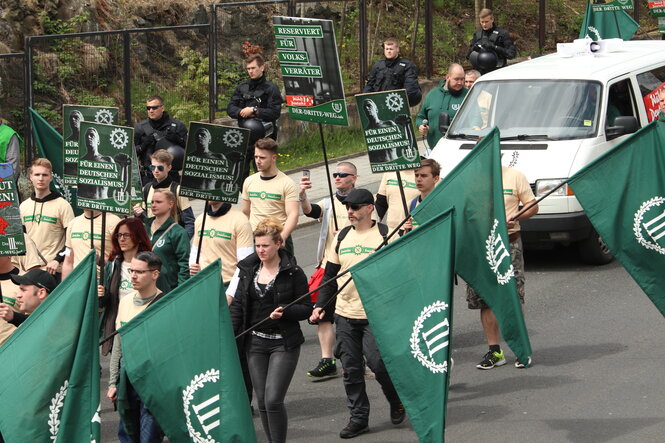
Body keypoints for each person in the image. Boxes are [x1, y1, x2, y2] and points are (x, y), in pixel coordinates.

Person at [310, 189, 404, 439]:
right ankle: (359, 418)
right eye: (347, 207)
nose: (349, 211)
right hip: (344, 313)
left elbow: (398, 274)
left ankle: (396, 399)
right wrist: (320, 305)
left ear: (369, 208)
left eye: (354, 207)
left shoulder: (386, 236)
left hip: (375, 314)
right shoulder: (341, 237)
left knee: (378, 365)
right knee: (351, 370)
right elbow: (330, 276)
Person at [229, 218, 311, 443]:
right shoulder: (247, 269)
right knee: (263, 400)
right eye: (257, 245)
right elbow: (238, 306)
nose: (261, 250)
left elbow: (306, 308)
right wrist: (231, 335)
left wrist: (286, 311)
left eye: (265, 245)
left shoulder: (293, 272)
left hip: (283, 343)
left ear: (278, 244)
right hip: (255, 343)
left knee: (274, 399)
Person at [469, 165, 538, 369]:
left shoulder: (515, 176)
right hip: (480, 245)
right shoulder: (469, 179)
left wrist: (517, 216)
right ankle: (495, 352)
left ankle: (520, 348)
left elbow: (532, 206)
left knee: (513, 296)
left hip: (509, 243)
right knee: (485, 299)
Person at [299, 161, 358, 380]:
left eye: (343, 174)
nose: (338, 178)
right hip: (328, 267)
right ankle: (327, 360)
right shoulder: (329, 203)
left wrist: (348, 229)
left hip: (352, 267)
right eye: (335, 174)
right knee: (322, 313)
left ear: (354, 178)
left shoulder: (361, 202)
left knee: (352, 314)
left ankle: (357, 353)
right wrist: (302, 195)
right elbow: (310, 211)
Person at [107, 251, 165, 443]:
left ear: (155, 274)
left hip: (152, 383)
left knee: (148, 438)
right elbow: (118, 344)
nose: (132, 276)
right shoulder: (124, 302)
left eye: (139, 272)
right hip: (127, 379)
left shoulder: (165, 305)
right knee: (128, 435)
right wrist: (113, 382)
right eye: (131, 271)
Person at [98, 218, 153, 356]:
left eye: (126, 235)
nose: (121, 239)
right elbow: (106, 303)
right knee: (115, 372)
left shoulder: (151, 265)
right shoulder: (112, 265)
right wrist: (101, 295)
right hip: (118, 330)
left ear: (138, 237)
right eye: (119, 235)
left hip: (143, 328)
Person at [227, 54, 284, 178]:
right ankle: (246, 196)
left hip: (264, 137)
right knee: (241, 172)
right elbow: (230, 108)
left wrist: (254, 110)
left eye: (253, 68)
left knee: (264, 171)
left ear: (262, 68)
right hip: (245, 136)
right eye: (248, 69)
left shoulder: (271, 88)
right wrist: (241, 112)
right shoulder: (242, 87)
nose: (250, 71)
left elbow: (275, 112)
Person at [241, 138, 299, 254]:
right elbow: (245, 213)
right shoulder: (249, 181)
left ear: (274, 158)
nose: (258, 161)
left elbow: (293, 214)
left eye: (262, 158)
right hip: (256, 238)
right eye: (256, 157)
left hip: (277, 238)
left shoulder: (287, 183)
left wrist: (283, 236)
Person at [20, 158, 75, 279]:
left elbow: (72, 242)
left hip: (53, 270)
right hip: (29, 270)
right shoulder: (23, 206)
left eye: (45, 175)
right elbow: (21, 241)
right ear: (30, 177)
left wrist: (57, 260)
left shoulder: (63, 205)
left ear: (51, 177)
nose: (40, 178)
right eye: (37, 174)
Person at [189, 200, 254, 288]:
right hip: (203, 284)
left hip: (227, 285)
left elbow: (245, 262)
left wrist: (231, 293)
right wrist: (192, 267)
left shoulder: (241, 220)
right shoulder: (200, 219)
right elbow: (195, 251)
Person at [133, 150, 195, 238]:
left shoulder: (177, 189)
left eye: (160, 168)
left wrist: (183, 241)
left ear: (169, 167)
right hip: (152, 240)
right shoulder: (147, 189)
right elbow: (145, 219)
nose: (156, 170)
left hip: (171, 240)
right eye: (152, 167)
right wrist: (138, 214)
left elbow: (189, 221)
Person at [144, 188, 190, 294]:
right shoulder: (145, 227)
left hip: (167, 290)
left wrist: (180, 292)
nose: (153, 205)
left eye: (158, 202)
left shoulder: (178, 232)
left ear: (170, 204)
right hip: (145, 287)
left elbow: (184, 264)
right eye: (152, 202)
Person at [134, 95, 187, 185]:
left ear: (162, 108)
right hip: (148, 177)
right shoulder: (140, 128)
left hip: (171, 177)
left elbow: (191, 151)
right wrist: (143, 146)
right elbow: (130, 153)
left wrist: (179, 140)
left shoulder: (177, 126)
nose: (151, 111)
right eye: (148, 108)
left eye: (154, 108)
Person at [416, 63, 468, 148]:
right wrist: (421, 126)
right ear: (447, 77)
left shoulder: (468, 95)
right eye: (456, 79)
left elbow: (477, 120)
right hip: (434, 149)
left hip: (459, 149)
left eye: (462, 79)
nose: (460, 83)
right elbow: (420, 117)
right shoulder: (432, 95)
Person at [62, 210, 121, 279]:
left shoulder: (113, 221)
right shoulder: (73, 222)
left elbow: (122, 258)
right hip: (77, 282)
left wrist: (100, 260)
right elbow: (68, 261)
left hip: (102, 282)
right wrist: (65, 287)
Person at [364, 38, 422, 107]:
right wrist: (366, 100)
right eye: (387, 49)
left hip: (396, 105)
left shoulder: (407, 66)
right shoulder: (378, 65)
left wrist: (401, 104)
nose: (388, 51)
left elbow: (411, 89)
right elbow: (370, 85)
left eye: (391, 49)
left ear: (397, 49)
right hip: (378, 104)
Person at [468, 8, 516, 74]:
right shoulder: (477, 34)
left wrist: (495, 47)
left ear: (492, 20)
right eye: (482, 22)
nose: (484, 24)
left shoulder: (502, 33)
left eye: (486, 22)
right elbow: (468, 56)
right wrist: (473, 49)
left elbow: (511, 54)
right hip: (481, 71)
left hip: (498, 71)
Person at [403, 158, 441, 232]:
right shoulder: (411, 205)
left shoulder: (443, 203)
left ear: (436, 179)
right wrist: (406, 231)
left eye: (423, 176)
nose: (418, 179)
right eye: (416, 175)